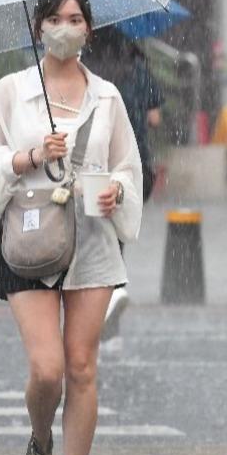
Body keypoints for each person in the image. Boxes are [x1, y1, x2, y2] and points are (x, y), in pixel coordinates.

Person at [0, 0, 143, 455]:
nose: (65, 28)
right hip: (29, 240)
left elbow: (128, 168)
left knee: (82, 367)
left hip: (91, 241)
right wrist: (28, 156)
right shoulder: (11, 92)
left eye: (75, 19)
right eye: (54, 19)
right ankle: (41, 438)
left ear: (90, 30)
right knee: (48, 371)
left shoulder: (107, 97)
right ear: (38, 27)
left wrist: (116, 192)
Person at [83, 29, 164, 346]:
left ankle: (102, 309)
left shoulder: (84, 71)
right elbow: (155, 117)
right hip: (135, 168)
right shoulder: (138, 67)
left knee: (93, 242)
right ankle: (111, 303)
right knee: (116, 240)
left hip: (96, 168)